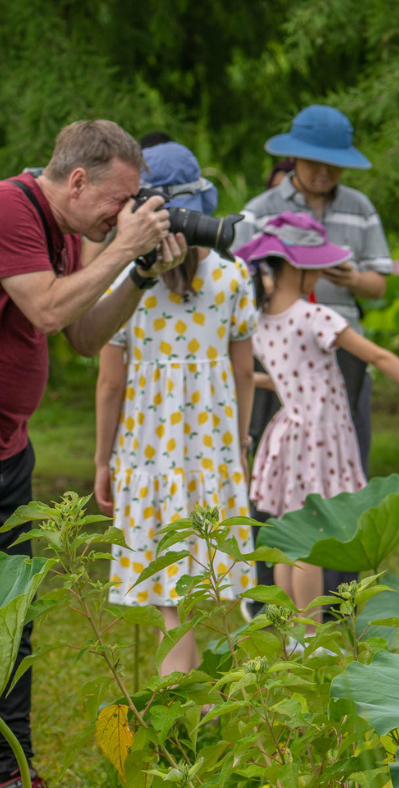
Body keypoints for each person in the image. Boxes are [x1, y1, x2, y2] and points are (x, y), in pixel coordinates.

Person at [0, 120, 185, 788]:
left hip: (10, 448)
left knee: (12, 617)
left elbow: (81, 335)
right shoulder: (9, 208)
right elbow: (46, 311)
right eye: (118, 200)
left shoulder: (67, 234)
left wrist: (139, 272)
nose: (123, 215)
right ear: (77, 180)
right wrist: (121, 249)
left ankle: (11, 772)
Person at [233, 212, 399, 620]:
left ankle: (295, 637)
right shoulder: (316, 317)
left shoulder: (260, 321)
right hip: (319, 438)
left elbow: (266, 375)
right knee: (311, 543)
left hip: (288, 434)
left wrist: (262, 382)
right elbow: (377, 355)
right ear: (298, 267)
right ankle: (311, 636)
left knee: (291, 539)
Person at [93, 142, 257, 677]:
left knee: (171, 600)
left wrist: (103, 460)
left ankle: (182, 712)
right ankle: (202, 711)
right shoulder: (233, 278)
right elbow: (241, 375)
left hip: (149, 450)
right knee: (203, 590)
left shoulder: (124, 285)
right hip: (211, 450)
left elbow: (111, 385)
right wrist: (241, 441)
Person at [234, 104, 393, 605]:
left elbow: (379, 283)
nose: (323, 173)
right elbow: (239, 279)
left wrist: (349, 278)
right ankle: (265, 597)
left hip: (340, 346)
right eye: (313, 163)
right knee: (274, 470)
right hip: (277, 349)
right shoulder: (260, 208)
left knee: (340, 472)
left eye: (333, 164)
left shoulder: (359, 208)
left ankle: (337, 597)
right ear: (293, 158)